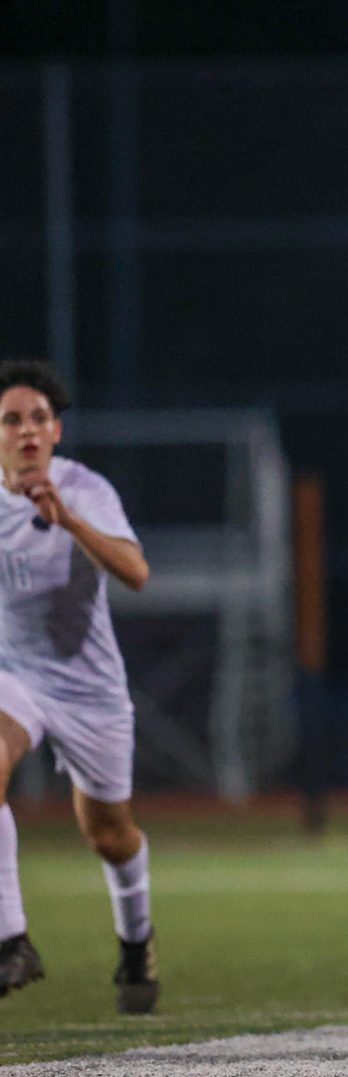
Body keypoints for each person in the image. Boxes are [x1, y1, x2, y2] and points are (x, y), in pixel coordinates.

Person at [0, 359, 159, 1013]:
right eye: (12, 419)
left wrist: (68, 520)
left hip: (89, 691)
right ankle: (11, 937)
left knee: (109, 834)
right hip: (15, 676)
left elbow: (135, 573)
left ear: (57, 431)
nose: (28, 430)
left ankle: (136, 944)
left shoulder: (85, 489)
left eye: (39, 418)